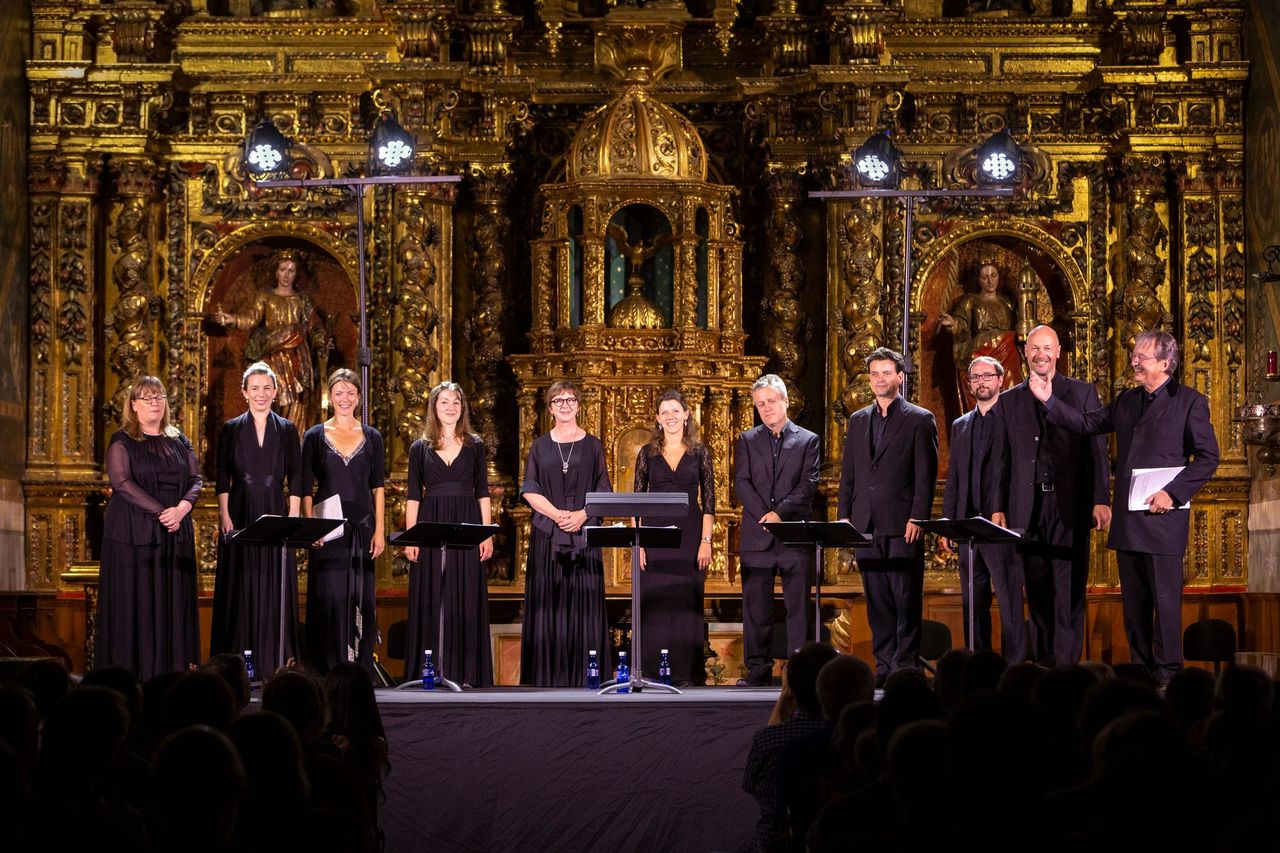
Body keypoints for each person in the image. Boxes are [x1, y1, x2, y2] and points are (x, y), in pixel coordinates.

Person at [1031, 330, 1219, 686]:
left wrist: (1172, 493)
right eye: (1134, 355)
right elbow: (1086, 424)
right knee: (1135, 609)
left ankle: (1168, 679)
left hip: (1163, 521)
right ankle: (1142, 678)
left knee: (1165, 607)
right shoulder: (1127, 400)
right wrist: (1049, 401)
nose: (1134, 361)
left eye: (1142, 357)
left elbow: (1209, 458)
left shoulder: (1189, 402)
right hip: (1131, 522)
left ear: (1165, 363)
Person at [992, 324, 1110, 667]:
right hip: (1026, 509)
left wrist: (1101, 498)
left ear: (1058, 352)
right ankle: (1045, 664)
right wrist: (998, 506)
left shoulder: (1082, 393)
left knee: (1069, 588)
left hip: (1069, 506)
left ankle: (1067, 667)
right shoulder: (1009, 400)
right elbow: (1002, 459)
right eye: (1034, 348)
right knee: (1038, 588)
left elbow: (1097, 451)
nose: (1040, 354)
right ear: (1025, 353)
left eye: (1047, 348)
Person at [837, 348, 939, 685]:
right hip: (865, 524)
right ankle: (883, 667)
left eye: (886, 373)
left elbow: (925, 476)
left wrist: (918, 517)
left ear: (899, 376)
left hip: (902, 524)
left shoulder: (919, 419)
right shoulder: (858, 420)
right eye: (874, 374)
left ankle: (905, 667)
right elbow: (849, 474)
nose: (880, 379)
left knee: (905, 598)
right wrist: (844, 517)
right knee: (877, 600)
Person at [98, 375, 202, 680]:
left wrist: (182, 509)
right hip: (134, 533)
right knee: (137, 602)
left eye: (159, 397)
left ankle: (173, 676)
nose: (155, 403)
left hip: (175, 531)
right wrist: (162, 513)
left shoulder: (179, 439)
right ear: (133, 405)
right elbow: (122, 483)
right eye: (147, 398)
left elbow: (196, 479)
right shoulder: (122, 440)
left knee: (173, 604)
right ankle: (136, 678)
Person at [211, 361, 303, 675]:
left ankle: (275, 661)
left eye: (266, 388)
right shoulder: (231, 428)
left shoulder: (287, 429)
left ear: (275, 391)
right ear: (245, 392)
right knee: (241, 580)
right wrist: (225, 515)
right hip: (240, 509)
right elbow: (222, 476)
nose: (261, 394)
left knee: (273, 580)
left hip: (275, 507)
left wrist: (293, 514)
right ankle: (238, 662)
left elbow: (297, 476)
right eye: (255, 388)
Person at [519, 380, 612, 687]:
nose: (565, 405)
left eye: (570, 400)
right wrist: (557, 515)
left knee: (584, 606)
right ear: (550, 408)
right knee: (549, 603)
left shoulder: (593, 445)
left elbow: (603, 490)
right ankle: (548, 678)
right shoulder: (539, 446)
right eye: (558, 401)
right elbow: (529, 489)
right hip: (548, 535)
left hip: (583, 537)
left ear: (578, 405)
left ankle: (586, 676)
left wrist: (583, 515)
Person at [402, 381, 495, 686]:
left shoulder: (475, 445)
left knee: (465, 593)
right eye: (444, 402)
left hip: (467, 522)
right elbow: (413, 495)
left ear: (462, 408)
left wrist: (486, 534)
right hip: (431, 522)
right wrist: (412, 537)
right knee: (433, 593)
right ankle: (431, 670)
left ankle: (465, 672)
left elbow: (483, 492)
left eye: (456, 402)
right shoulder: (420, 448)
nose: (451, 407)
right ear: (434, 407)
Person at [734, 374, 821, 687]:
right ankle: (757, 670)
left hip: (794, 536)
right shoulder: (747, 440)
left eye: (771, 401)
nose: (766, 408)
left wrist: (778, 513)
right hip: (757, 536)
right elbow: (741, 482)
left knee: (797, 609)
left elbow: (808, 485)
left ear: (785, 401)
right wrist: (764, 514)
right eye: (760, 404)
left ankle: (798, 673)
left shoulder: (808, 440)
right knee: (756, 609)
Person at [299, 368, 385, 675]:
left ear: (358, 397)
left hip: (362, 528)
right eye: (339, 393)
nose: (344, 398)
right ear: (330, 397)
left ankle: (358, 668)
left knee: (359, 595)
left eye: (350, 393)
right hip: (328, 531)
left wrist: (380, 529)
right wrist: (311, 527)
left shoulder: (372, 437)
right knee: (329, 596)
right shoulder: (315, 436)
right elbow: (304, 486)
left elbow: (378, 487)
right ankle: (327, 670)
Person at [939, 355, 1025, 661]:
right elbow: (954, 478)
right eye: (975, 378)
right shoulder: (961, 425)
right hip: (968, 527)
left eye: (987, 376)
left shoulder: (1013, 420)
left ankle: (1015, 667)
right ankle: (979, 665)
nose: (981, 382)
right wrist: (948, 521)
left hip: (1000, 525)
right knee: (973, 603)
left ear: (1001, 380)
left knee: (1009, 600)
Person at [633, 390, 715, 686]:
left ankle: (685, 674)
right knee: (656, 603)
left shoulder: (700, 452)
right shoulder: (647, 454)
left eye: (675, 411)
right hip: (654, 536)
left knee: (685, 601)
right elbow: (636, 501)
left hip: (690, 536)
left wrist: (706, 541)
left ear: (686, 414)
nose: (670, 416)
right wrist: (638, 543)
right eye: (664, 412)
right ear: (657, 418)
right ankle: (651, 672)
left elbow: (710, 502)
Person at [212, 250, 332, 428]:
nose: (286, 275)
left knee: (296, 402)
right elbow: (251, 318)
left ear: (296, 274)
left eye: (291, 270)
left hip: (297, 360)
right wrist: (233, 319)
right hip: (272, 356)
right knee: (271, 397)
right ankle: (269, 438)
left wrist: (321, 340)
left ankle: (295, 439)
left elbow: (313, 326)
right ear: (276, 272)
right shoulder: (266, 297)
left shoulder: (302, 300)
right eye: (283, 269)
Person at [938, 262, 1022, 405]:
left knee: (1011, 390)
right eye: (985, 277)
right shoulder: (970, 300)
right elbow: (962, 324)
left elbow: (1022, 324)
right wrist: (953, 323)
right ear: (979, 280)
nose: (990, 281)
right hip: (981, 349)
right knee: (980, 386)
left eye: (993, 276)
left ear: (999, 277)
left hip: (1007, 351)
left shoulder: (1008, 302)